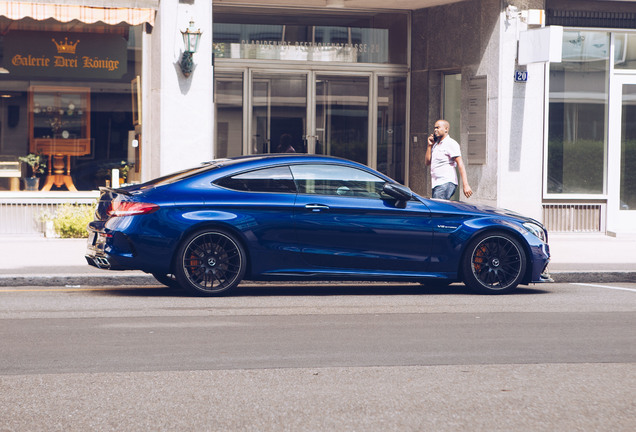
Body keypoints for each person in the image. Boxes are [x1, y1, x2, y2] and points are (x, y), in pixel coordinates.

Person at [425, 119, 473, 200]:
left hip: (445, 182)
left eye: (438, 127)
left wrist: (465, 185)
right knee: (439, 209)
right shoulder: (436, 145)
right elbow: (427, 162)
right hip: (437, 183)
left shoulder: (451, 143)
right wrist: (429, 146)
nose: (435, 130)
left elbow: (460, 164)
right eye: (434, 128)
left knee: (437, 209)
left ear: (446, 129)